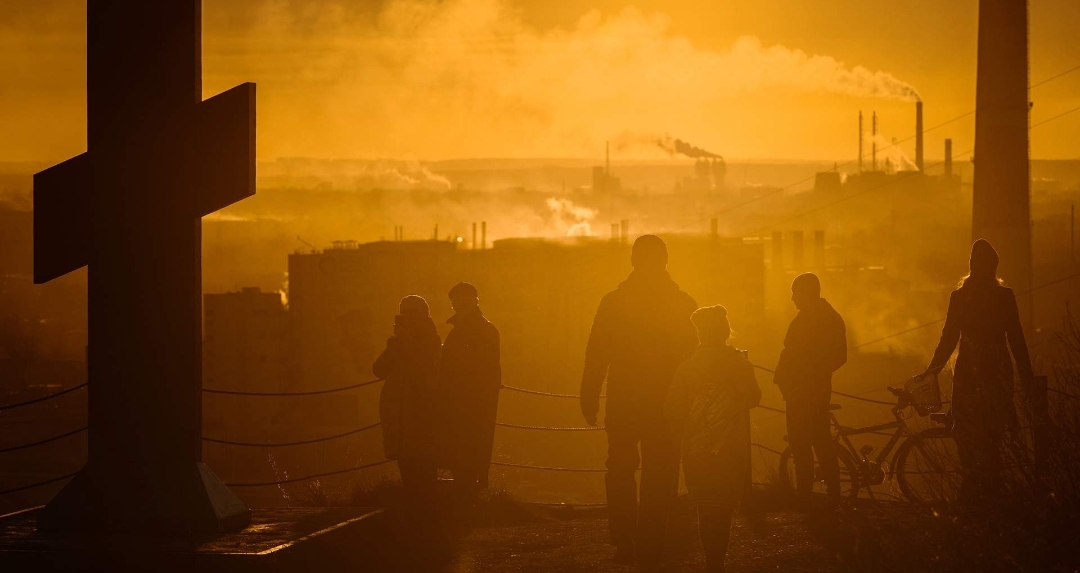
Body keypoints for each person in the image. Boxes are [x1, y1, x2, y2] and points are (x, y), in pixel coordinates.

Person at [580, 234, 699, 570]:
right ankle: (652, 539)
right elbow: (694, 358)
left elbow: (596, 353)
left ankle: (623, 538)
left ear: (633, 261)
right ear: (665, 261)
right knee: (660, 471)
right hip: (667, 402)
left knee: (619, 468)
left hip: (625, 399)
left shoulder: (614, 301)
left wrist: (589, 394)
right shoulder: (683, 303)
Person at [918, 238, 1032, 504]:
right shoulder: (1003, 296)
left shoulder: (961, 297)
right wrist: (1026, 375)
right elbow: (1016, 338)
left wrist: (932, 371)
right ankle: (989, 489)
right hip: (994, 369)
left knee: (972, 431)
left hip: (972, 370)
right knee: (988, 432)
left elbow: (949, 339)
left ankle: (975, 489)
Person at [666, 305, 760, 573]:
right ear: (725, 332)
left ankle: (711, 564)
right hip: (731, 450)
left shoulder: (687, 368)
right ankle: (717, 561)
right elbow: (754, 397)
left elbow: (671, 408)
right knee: (723, 508)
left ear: (700, 334)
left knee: (704, 508)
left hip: (696, 451)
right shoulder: (739, 365)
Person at [773, 272, 846, 510]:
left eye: (796, 292)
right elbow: (838, 357)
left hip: (804, 392)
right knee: (814, 442)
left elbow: (800, 356)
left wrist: (801, 379)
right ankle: (826, 496)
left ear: (809, 293)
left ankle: (808, 496)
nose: (793, 298)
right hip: (807, 390)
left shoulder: (817, 320)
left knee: (806, 444)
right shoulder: (826, 318)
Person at [372, 295, 442, 510]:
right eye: (405, 311)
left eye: (413, 311)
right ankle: (413, 508)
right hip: (399, 410)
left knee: (423, 461)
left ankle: (426, 511)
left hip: (421, 410)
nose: (408, 316)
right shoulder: (398, 341)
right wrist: (395, 344)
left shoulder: (431, 339)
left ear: (424, 314)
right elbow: (378, 369)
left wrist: (406, 343)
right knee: (406, 461)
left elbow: (424, 370)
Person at [440, 282, 502, 503]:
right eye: (457, 303)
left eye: (462, 302)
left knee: (465, 454)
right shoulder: (482, 329)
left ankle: (466, 501)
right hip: (469, 405)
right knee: (469, 455)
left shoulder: (470, 331)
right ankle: (468, 500)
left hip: (468, 405)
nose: (459, 306)